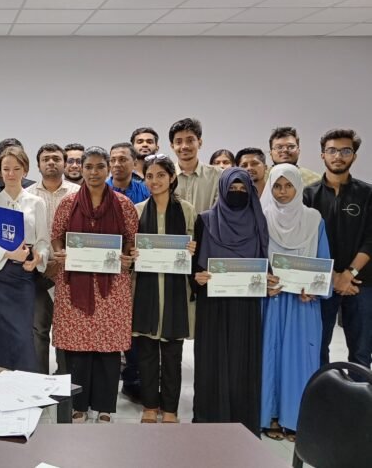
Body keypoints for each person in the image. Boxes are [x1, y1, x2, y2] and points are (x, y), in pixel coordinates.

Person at [51, 147, 139, 423]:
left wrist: (127, 257)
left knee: (108, 349)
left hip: (111, 287)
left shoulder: (123, 204)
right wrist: (60, 252)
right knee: (78, 348)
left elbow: (131, 240)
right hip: (74, 287)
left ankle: (105, 406)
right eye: (88, 167)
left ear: (108, 169)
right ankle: (78, 405)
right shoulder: (69, 203)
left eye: (100, 167)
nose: (93, 172)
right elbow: (56, 237)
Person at [191, 168, 268, 436]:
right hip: (212, 303)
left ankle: (243, 424)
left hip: (246, 305)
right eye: (231, 189)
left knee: (242, 363)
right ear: (222, 191)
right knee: (211, 362)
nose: (237, 194)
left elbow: (265, 262)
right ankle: (209, 420)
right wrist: (196, 278)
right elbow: (194, 265)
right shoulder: (205, 220)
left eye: (242, 189)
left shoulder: (259, 222)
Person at [260, 164, 329, 441]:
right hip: (273, 301)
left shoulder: (314, 219)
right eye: (277, 186)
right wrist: (262, 281)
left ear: (299, 187)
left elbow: (323, 259)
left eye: (289, 185)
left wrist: (316, 288)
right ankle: (270, 416)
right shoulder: (262, 217)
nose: (283, 191)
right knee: (271, 357)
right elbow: (256, 257)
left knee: (300, 359)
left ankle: (296, 419)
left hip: (302, 302)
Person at [131, 155, 196, 424]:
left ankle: (170, 409)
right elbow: (128, 249)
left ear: (172, 178)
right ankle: (149, 406)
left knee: (172, 354)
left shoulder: (188, 210)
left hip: (175, 291)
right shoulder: (136, 210)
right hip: (145, 291)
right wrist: (132, 252)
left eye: (160, 175)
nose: (154, 180)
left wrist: (194, 249)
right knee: (145, 352)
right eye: (149, 176)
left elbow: (197, 247)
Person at [304, 128, 372, 369]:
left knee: (362, 351)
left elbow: (370, 239)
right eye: (332, 150)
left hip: (361, 283)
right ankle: (322, 401)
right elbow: (305, 241)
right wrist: (331, 276)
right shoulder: (308, 194)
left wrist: (348, 274)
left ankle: (360, 403)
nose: (338, 156)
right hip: (322, 282)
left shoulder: (367, 193)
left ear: (353, 156)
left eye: (345, 151)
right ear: (323, 155)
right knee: (318, 347)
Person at [0, 147, 49, 372]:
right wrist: (8, 253)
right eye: (6, 169)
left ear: (25, 170)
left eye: (16, 168)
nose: (11, 173)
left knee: (23, 331)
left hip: (23, 274)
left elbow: (43, 241)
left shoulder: (36, 202)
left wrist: (38, 257)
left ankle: (26, 382)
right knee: (0, 330)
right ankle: (2, 378)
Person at [27, 144, 80, 374]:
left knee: (65, 330)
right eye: (46, 159)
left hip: (69, 273)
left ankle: (63, 379)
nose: (51, 162)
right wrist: (42, 263)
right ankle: (39, 378)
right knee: (38, 329)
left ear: (64, 163)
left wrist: (60, 263)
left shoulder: (78, 194)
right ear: (38, 165)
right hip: (36, 271)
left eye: (56, 158)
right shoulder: (26, 194)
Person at [107, 142, 150, 401]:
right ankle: (110, 377)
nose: (117, 164)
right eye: (113, 159)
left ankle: (133, 379)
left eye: (123, 159)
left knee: (134, 327)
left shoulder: (144, 190)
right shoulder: (101, 189)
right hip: (107, 270)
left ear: (134, 163)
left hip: (138, 270)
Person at [170, 118, 221, 214]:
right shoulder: (166, 177)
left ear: (199, 143)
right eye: (178, 142)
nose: (184, 146)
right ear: (172, 146)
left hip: (208, 229)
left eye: (190, 140)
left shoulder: (218, 175)